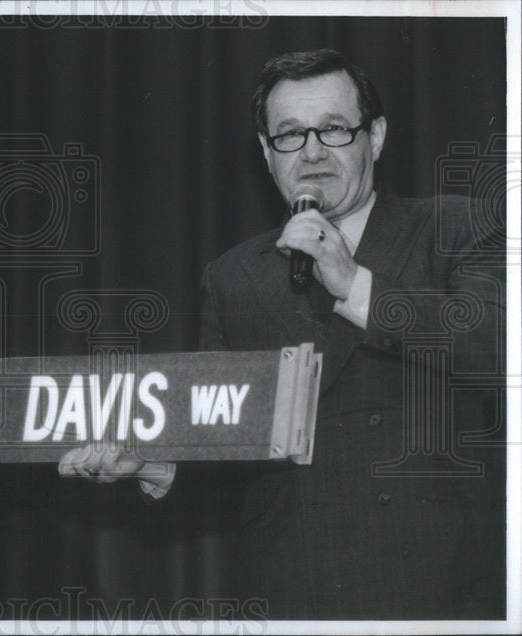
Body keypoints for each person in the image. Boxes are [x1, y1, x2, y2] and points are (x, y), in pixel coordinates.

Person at [61, 49, 505, 619]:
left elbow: (498, 346)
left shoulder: (456, 226)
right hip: (294, 591)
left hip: (441, 588)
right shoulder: (232, 277)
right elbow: (226, 454)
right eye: (291, 135)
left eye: (335, 129)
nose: (313, 151)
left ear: (376, 138)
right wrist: (150, 465)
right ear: (268, 154)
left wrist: (355, 284)